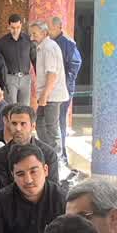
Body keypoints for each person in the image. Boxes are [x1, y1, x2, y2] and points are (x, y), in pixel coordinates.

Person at [31, 19, 69, 175]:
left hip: (52, 95)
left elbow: (52, 74)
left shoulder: (49, 48)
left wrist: (45, 95)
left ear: (44, 33)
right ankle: (48, 154)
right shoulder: (42, 47)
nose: (32, 37)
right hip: (46, 95)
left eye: (35, 33)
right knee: (39, 123)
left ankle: (57, 161)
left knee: (51, 127)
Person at [0, 104, 53, 184]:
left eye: (23, 124)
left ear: (32, 126)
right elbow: (1, 188)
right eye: (14, 123)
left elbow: (53, 187)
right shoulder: (0, 155)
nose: (18, 128)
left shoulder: (48, 154)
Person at [50, 14, 83, 158]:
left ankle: (62, 153)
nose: (49, 31)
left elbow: (75, 63)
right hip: (53, 87)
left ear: (59, 27)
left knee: (60, 119)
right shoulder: (51, 41)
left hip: (64, 88)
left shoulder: (68, 43)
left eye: (51, 28)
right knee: (52, 120)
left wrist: (65, 82)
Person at [0, 13, 35, 109]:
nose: (15, 30)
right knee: (11, 107)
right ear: (8, 26)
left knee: (25, 108)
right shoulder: (1, 42)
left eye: (18, 27)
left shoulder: (28, 40)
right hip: (9, 78)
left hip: (26, 78)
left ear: (21, 25)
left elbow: (34, 59)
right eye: (12, 28)